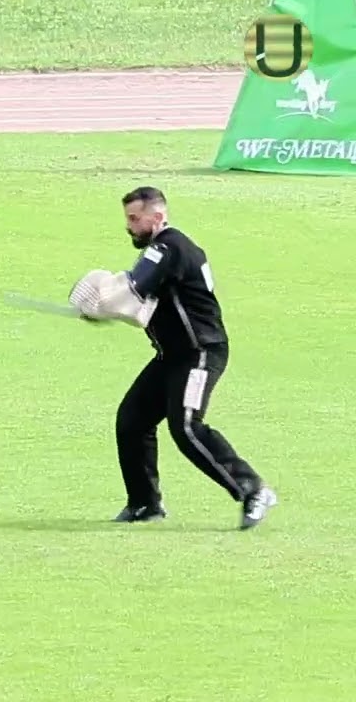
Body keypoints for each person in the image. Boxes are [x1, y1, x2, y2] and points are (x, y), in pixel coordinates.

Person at [68, 186, 277, 530]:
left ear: (158, 216)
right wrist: (103, 309)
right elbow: (140, 307)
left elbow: (136, 288)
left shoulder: (169, 247)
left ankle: (253, 490)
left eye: (135, 219)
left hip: (200, 353)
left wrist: (100, 303)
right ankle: (145, 505)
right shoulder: (161, 250)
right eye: (128, 219)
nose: (130, 226)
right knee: (132, 421)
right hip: (171, 356)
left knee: (186, 427)